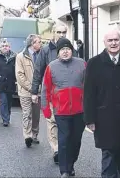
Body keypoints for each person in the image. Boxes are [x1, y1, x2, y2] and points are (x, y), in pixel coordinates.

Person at [83, 29, 120, 178]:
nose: (114, 43)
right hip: (104, 118)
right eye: (110, 40)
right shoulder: (94, 63)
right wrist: (90, 119)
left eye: (116, 40)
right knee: (108, 155)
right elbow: (88, 93)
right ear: (105, 42)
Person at [40, 37, 86, 178]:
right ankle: (64, 170)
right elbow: (45, 89)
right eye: (62, 50)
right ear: (58, 52)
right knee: (64, 139)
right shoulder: (51, 67)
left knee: (76, 140)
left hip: (80, 111)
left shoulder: (82, 64)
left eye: (68, 49)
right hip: (61, 111)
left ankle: (71, 163)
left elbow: (90, 87)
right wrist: (46, 108)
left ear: (71, 51)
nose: (65, 52)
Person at [31, 23, 74, 164]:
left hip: (68, 95)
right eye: (58, 32)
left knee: (68, 125)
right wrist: (34, 91)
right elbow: (38, 71)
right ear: (53, 33)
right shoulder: (45, 50)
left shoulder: (70, 49)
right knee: (52, 121)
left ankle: (64, 148)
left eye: (64, 32)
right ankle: (56, 150)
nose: (61, 34)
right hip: (51, 93)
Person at [15, 34, 42, 147]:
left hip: (39, 91)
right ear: (32, 44)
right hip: (25, 91)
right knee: (27, 114)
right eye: (38, 42)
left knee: (36, 115)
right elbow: (20, 75)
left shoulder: (41, 55)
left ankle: (34, 134)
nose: (40, 44)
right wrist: (32, 88)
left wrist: (38, 89)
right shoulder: (21, 56)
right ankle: (27, 135)